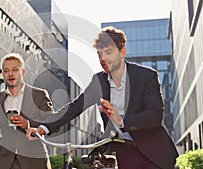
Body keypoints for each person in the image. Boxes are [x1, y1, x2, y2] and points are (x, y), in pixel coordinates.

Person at [27, 26, 179, 169]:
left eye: (108, 52)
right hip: (126, 153)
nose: (103, 59)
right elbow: (75, 107)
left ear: (122, 52)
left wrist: (122, 121)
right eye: (99, 54)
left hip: (154, 153)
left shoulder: (146, 76)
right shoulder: (98, 81)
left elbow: (155, 115)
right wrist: (43, 128)